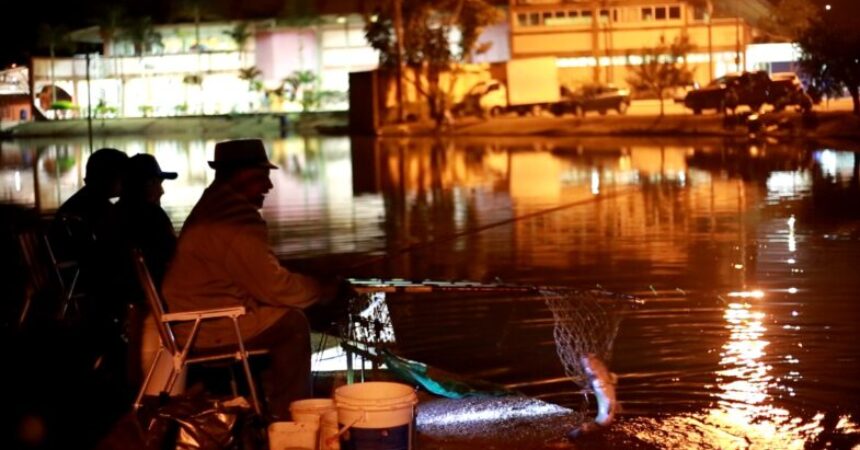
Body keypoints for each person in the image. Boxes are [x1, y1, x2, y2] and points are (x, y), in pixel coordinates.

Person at [162, 138, 328, 419]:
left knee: (280, 314)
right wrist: (321, 289)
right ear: (240, 176)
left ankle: (265, 402)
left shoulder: (213, 204)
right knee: (293, 323)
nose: (269, 186)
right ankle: (289, 417)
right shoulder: (234, 219)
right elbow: (276, 288)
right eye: (261, 177)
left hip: (189, 317)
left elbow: (255, 272)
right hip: (209, 326)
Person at [116, 153, 179, 392]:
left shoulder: (115, 214)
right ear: (148, 184)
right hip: (150, 303)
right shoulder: (152, 217)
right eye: (159, 184)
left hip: (123, 298)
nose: (162, 192)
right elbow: (175, 259)